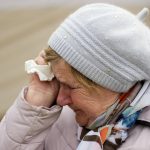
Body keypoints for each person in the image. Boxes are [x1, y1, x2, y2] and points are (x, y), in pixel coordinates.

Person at [0, 3, 150, 150]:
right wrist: (37, 97)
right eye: (59, 81)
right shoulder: (53, 117)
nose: (61, 100)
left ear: (113, 84)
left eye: (70, 86)